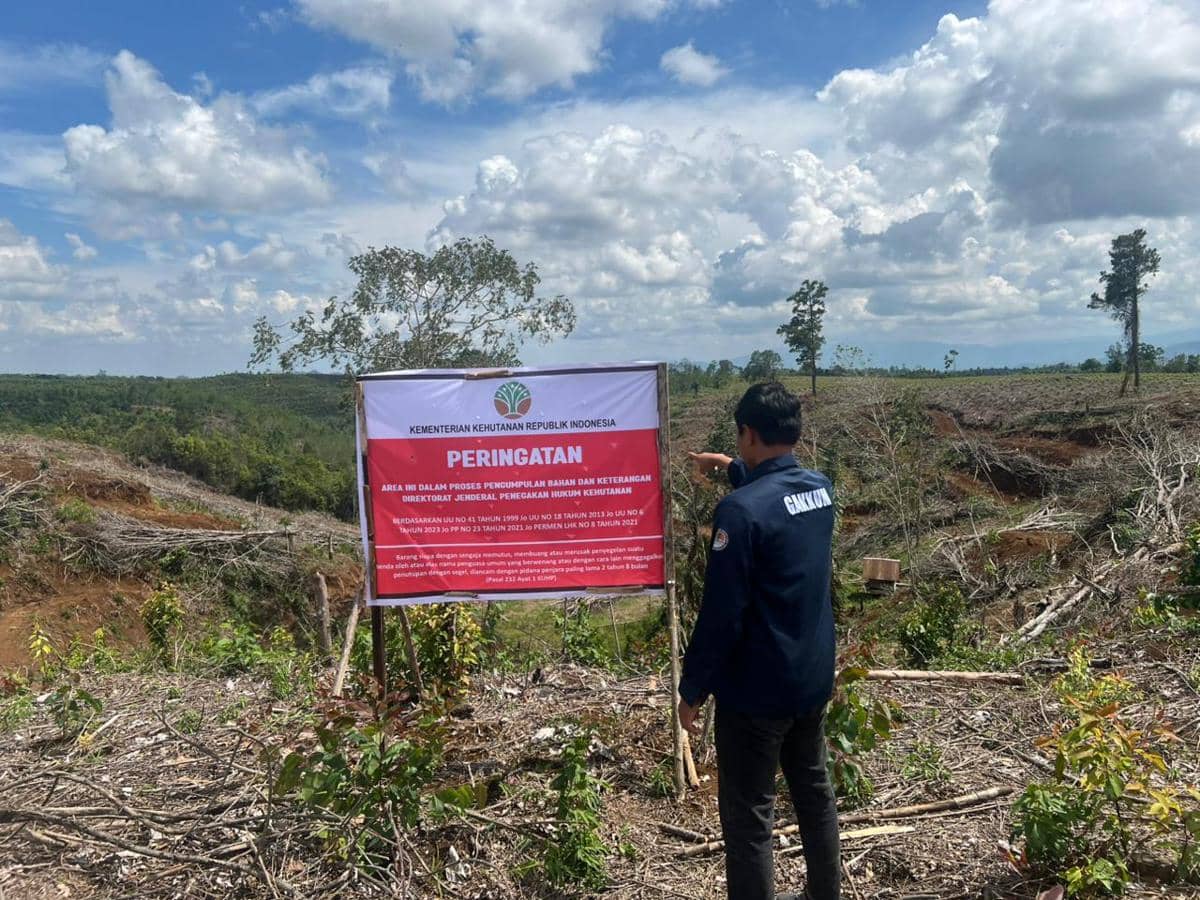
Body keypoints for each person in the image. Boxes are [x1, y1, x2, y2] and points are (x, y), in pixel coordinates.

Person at [678, 381, 839, 900]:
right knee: (814, 795)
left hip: (756, 693)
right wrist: (725, 464)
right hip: (810, 681)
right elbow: (778, 494)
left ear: (748, 431)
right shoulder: (820, 490)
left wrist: (692, 688)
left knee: (750, 817)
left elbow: (722, 613)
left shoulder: (739, 514)